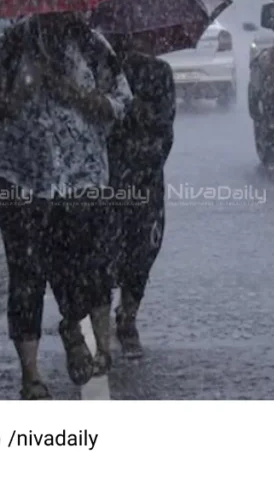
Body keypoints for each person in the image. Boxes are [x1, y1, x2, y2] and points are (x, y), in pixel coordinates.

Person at [0, 12, 132, 399]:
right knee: (26, 272)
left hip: (82, 176)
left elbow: (120, 104)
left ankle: (74, 328)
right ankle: (31, 377)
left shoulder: (94, 46)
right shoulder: (5, 49)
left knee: (80, 263)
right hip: (16, 176)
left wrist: (73, 93)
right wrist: (18, 94)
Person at [101, 33, 176, 359]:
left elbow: (164, 126)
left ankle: (128, 317)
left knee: (142, 248)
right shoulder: (98, 69)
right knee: (100, 249)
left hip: (144, 175)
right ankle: (97, 318)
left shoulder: (158, 72)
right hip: (102, 174)